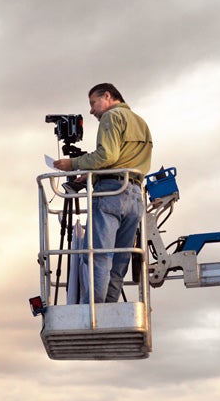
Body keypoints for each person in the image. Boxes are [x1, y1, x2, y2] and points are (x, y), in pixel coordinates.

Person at [52, 83, 152, 303]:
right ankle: (108, 310)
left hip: (111, 194)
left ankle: (94, 315)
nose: (91, 110)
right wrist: (93, 176)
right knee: (119, 261)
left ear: (107, 96)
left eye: (93, 103)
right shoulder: (141, 122)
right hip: (134, 194)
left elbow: (107, 155)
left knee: (98, 257)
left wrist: (74, 164)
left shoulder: (112, 117)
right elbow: (124, 158)